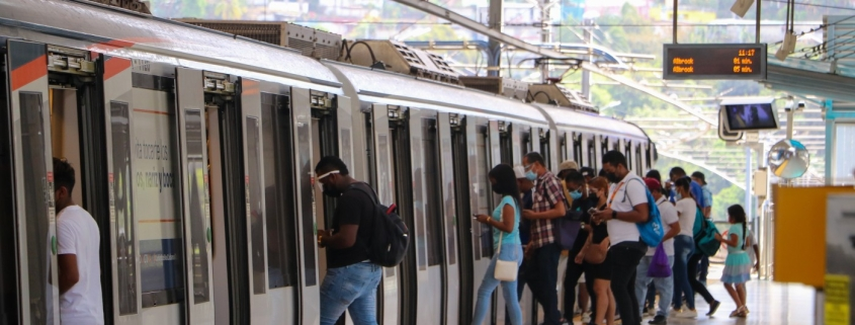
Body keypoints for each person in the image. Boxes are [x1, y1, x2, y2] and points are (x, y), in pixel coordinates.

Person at [315, 156, 382, 325]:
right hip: (370, 270)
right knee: (367, 322)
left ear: (332, 177)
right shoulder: (366, 190)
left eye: (324, 183)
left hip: (349, 272)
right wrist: (332, 234)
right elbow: (360, 231)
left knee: (319, 320)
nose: (324, 188)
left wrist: (323, 239)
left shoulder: (350, 198)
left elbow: (347, 239)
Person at [592, 151, 649, 325]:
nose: (608, 174)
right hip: (620, 243)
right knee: (628, 288)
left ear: (620, 166)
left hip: (630, 242)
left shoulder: (633, 183)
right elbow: (617, 211)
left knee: (618, 286)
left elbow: (643, 215)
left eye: (610, 170)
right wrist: (604, 216)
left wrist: (614, 215)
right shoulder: (617, 185)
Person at [472, 164, 525, 325]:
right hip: (515, 250)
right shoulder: (514, 200)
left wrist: (488, 219)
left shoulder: (507, 200)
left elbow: (508, 227)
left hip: (506, 251)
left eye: (494, 182)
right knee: (511, 298)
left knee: (484, 291)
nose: (493, 185)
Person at [54, 157, 104, 325]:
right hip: (93, 316)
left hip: (72, 317)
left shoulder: (62, 223)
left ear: (61, 192)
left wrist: (47, 297)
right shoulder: (88, 219)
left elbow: (71, 275)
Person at [521, 152, 567, 325]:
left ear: (537, 164)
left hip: (550, 240)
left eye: (527, 167)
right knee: (531, 275)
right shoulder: (538, 184)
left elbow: (560, 210)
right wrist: (532, 242)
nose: (526, 171)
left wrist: (535, 216)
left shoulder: (550, 181)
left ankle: (552, 319)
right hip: (540, 240)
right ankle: (553, 314)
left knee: (548, 281)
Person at [634, 178, 680, 325]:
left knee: (664, 284)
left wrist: (660, 239)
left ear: (654, 192)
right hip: (645, 251)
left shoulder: (666, 207)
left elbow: (676, 228)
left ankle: (662, 314)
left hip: (663, 253)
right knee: (639, 282)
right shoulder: (646, 207)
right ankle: (637, 312)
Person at [576, 177, 614, 325]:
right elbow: (592, 232)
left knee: (599, 288)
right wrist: (583, 251)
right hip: (595, 249)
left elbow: (614, 228)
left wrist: (608, 240)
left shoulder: (609, 207)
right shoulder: (595, 207)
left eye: (593, 190)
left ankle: (598, 322)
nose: (590, 193)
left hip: (606, 251)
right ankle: (609, 322)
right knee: (606, 290)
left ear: (602, 190)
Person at [561, 170, 593, 322]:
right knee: (569, 283)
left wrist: (580, 225)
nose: (571, 192)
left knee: (593, 285)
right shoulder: (576, 203)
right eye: (569, 190)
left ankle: (595, 316)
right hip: (575, 248)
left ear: (581, 185)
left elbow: (594, 227)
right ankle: (568, 317)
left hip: (591, 249)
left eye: (572, 189)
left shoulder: (594, 202)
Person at [715, 205, 752, 318]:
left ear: (733, 217)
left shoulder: (734, 228)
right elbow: (747, 244)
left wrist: (721, 239)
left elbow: (734, 243)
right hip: (743, 257)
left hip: (735, 258)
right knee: (739, 285)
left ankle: (740, 306)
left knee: (727, 283)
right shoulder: (744, 227)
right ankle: (742, 308)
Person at [670, 177, 698, 318]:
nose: (675, 190)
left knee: (681, 275)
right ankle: (677, 306)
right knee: (678, 274)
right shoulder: (692, 202)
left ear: (680, 188)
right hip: (690, 240)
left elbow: (672, 219)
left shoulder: (681, 203)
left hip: (680, 240)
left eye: (676, 188)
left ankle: (691, 307)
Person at [691, 171, 713, 283]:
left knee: (702, 249)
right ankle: (702, 273)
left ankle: (702, 274)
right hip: (704, 223)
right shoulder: (704, 190)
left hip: (703, 224)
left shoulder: (703, 192)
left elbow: (707, 207)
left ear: (699, 180)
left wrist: (702, 221)